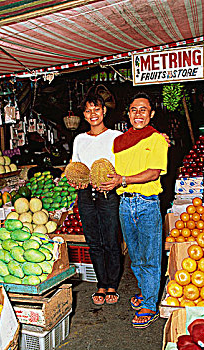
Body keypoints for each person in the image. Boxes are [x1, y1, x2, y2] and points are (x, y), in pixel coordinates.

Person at [100, 92, 168, 328]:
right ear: (128, 113)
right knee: (136, 257)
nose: (138, 114)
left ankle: (150, 305)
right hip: (125, 204)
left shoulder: (157, 139)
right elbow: (111, 171)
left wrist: (123, 180)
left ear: (151, 114)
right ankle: (146, 291)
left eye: (143, 110)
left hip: (147, 203)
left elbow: (153, 172)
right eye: (134, 110)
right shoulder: (119, 142)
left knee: (150, 256)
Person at [69, 94, 122, 305]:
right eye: (89, 111)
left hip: (108, 192)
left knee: (110, 241)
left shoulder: (116, 136)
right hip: (85, 194)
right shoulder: (79, 139)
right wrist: (74, 180)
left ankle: (113, 285)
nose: (93, 114)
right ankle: (101, 283)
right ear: (84, 114)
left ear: (104, 111)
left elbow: (129, 159)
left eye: (97, 109)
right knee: (93, 242)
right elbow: (75, 165)